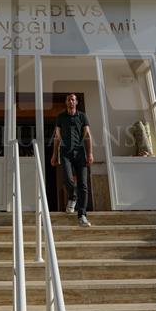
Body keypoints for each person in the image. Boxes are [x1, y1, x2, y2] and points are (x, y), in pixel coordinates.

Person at [50, 93, 93, 227]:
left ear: (76, 102)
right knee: (68, 179)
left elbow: (87, 135)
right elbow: (57, 137)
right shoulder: (61, 117)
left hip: (80, 153)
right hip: (65, 153)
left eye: (73, 99)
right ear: (66, 102)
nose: (71, 101)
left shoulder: (82, 116)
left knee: (83, 185)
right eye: (69, 99)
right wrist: (54, 155)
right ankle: (73, 197)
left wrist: (90, 153)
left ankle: (82, 215)